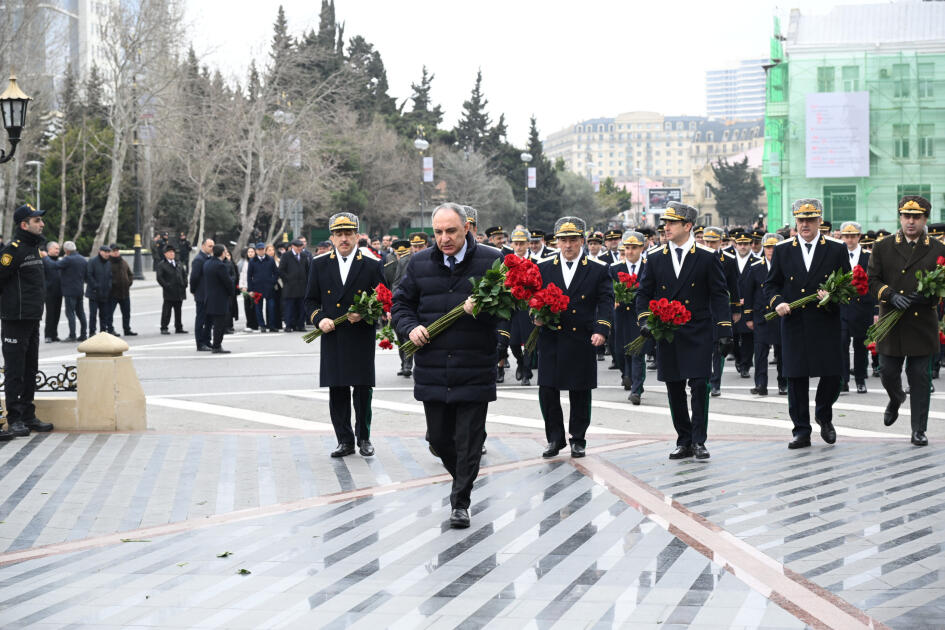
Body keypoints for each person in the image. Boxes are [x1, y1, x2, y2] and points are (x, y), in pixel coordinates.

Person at [392, 203, 508, 529]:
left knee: (469, 439)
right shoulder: (418, 263)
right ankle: (464, 477)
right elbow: (401, 304)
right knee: (439, 439)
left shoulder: (490, 260)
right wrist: (409, 327)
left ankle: (460, 502)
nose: (444, 238)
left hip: (474, 364)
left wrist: (482, 309)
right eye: (439, 232)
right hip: (432, 365)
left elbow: (505, 309)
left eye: (451, 231)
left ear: (466, 228)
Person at [635, 203, 733, 460]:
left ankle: (699, 440)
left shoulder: (707, 256)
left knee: (700, 385)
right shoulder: (655, 257)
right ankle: (684, 439)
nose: (665, 227)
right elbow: (644, 293)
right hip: (668, 332)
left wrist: (724, 329)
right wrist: (645, 320)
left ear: (688, 226)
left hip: (698, 330)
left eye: (672, 223)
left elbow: (719, 294)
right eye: (665, 223)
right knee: (674, 386)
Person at [764, 198, 848, 450]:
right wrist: (777, 302)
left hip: (825, 320)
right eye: (801, 220)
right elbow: (771, 284)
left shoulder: (836, 248)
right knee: (796, 377)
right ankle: (801, 429)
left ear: (820, 221)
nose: (805, 225)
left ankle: (823, 414)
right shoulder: (783, 249)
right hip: (795, 321)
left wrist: (833, 297)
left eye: (810, 220)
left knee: (832, 375)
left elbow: (847, 285)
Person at [305, 212, 384, 459]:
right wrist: (320, 319)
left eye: (348, 234)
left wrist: (365, 313)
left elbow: (382, 297)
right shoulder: (319, 264)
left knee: (362, 390)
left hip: (360, 335)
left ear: (357, 236)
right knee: (337, 389)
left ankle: (364, 437)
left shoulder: (371, 264)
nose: (344, 239)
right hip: (333, 334)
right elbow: (310, 301)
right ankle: (344, 440)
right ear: (332, 238)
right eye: (339, 234)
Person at [869, 195, 945, 446]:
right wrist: (889, 294)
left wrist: (927, 297)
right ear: (900, 217)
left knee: (920, 376)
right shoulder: (883, 246)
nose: (911, 222)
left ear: (925, 219)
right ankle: (896, 397)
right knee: (888, 372)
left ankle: (918, 429)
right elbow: (872, 281)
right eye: (906, 216)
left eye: (917, 217)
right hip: (892, 319)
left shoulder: (937, 248)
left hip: (921, 321)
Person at [535, 216, 614, 459]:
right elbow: (534, 299)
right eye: (562, 240)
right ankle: (554, 438)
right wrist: (535, 315)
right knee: (548, 390)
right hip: (551, 336)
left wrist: (602, 329)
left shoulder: (598, 269)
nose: (567, 245)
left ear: (582, 241)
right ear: (556, 242)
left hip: (582, 337)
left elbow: (606, 300)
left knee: (579, 391)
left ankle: (578, 438)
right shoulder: (543, 267)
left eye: (572, 240)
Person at [0, 204, 54, 440]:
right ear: (24, 225)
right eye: (36, 221)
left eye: (40, 220)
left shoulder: (34, 249)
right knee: (15, 371)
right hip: (15, 319)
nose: (41, 224)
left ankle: (28, 415)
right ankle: (14, 419)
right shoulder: (13, 251)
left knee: (30, 368)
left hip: (32, 318)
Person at [742, 233, 786, 396]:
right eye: (767, 247)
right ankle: (761, 384)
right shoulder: (755, 267)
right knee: (760, 353)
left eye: (774, 247)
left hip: (780, 315)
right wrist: (748, 316)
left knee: (782, 353)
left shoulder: (786, 267)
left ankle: (783, 383)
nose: (770, 250)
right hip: (761, 316)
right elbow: (748, 293)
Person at [702, 227, 741, 397]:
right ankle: (702, 379)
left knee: (719, 346)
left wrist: (736, 308)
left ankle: (715, 383)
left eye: (713, 241)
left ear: (721, 242)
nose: (710, 244)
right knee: (702, 346)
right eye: (707, 241)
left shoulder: (729, 260)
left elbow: (734, 285)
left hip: (720, 308)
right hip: (702, 308)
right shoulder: (698, 256)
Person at [611, 231, 648, 404]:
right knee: (621, 351)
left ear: (642, 248)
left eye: (634, 248)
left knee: (637, 353)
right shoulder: (615, 268)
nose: (630, 252)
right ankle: (626, 375)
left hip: (640, 317)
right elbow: (608, 292)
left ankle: (636, 390)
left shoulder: (649, 266)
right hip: (621, 317)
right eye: (627, 248)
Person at [838, 221, 873, 394]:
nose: (849, 239)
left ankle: (860, 379)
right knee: (842, 343)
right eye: (846, 236)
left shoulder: (868, 257)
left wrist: (875, 311)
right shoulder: (837, 255)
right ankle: (843, 379)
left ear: (859, 236)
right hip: (843, 306)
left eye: (853, 236)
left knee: (861, 345)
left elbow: (874, 283)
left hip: (862, 307)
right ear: (841, 237)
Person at [383, 239, 413, 377]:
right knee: (401, 336)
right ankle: (404, 364)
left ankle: (407, 365)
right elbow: (389, 285)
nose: (401, 256)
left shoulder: (410, 262)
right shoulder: (390, 264)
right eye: (399, 253)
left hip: (404, 303)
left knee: (406, 336)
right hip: (395, 303)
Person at [204, 244, 234, 354]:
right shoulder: (220, 265)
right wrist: (232, 293)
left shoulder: (207, 263)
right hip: (220, 298)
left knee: (213, 323)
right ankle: (217, 345)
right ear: (222, 253)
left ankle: (213, 343)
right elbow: (227, 282)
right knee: (219, 324)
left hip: (210, 297)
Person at [56, 241, 87, 341]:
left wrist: (45, 258)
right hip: (79, 290)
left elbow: (54, 265)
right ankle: (83, 334)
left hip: (69, 291)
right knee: (81, 313)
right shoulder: (82, 259)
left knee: (70, 313)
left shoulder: (68, 259)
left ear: (66, 250)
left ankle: (72, 335)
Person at [156, 244, 188, 334]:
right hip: (169, 292)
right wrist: (167, 286)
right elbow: (159, 278)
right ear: (165, 254)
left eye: (173, 252)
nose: (172, 254)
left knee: (178, 311)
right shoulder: (162, 265)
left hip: (179, 290)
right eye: (169, 252)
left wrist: (185, 283)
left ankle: (179, 327)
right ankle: (164, 327)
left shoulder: (178, 263)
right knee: (167, 311)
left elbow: (184, 274)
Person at [189, 238, 214, 351]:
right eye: (210, 246)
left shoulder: (209, 258)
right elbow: (194, 277)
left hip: (209, 294)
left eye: (213, 246)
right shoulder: (199, 260)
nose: (212, 248)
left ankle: (207, 341)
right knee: (201, 319)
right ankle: (200, 343)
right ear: (203, 246)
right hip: (201, 294)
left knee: (209, 320)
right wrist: (193, 291)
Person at [279, 238, 308, 332]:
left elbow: (307, 269)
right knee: (289, 308)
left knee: (301, 308)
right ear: (292, 246)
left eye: (301, 246)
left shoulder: (304, 256)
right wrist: (288, 280)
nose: (300, 248)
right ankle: (289, 325)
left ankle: (300, 325)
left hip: (302, 286)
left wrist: (306, 281)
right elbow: (281, 270)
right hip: (290, 287)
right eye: (298, 246)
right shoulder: (286, 256)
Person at [249, 241, 279, 332]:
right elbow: (249, 276)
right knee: (258, 308)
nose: (261, 251)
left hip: (269, 287)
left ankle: (271, 325)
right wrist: (250, 289)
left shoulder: (270, 259)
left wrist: (272, 282)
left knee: (271, 307)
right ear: (256, 251)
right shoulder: (252, 261)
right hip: (257, 288)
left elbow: (276, 273)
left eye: (262, 249)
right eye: (259, 250)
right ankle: (262, 325)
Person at [108, 245, 136, 336]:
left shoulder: (123, 262)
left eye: (117, 251)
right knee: (109, 313)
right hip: (113, 293)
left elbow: (130, 274)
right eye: (114, 251)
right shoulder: (108, 263)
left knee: (126, 313)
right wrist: (112, 284)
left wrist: (129, 282)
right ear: (110, 252)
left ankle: (127, 329)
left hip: (125, 292)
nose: (116, 252)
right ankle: (110, 329)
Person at [85, 244, 113, 336]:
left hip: (105, 293)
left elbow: (110, 276)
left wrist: (109, 286)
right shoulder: (93, 261)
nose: (107, 254)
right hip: (94, 293)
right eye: (105, 252)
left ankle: (103, 332)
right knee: (93, 315)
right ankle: (92, 332)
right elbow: (89, 275)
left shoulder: (108, 263)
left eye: (109, 252)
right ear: (100, 252)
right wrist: (96, 286)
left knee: (104, 314)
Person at [41, 241, 62, 342]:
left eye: (58, 249)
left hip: (59, 291)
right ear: (49, 249)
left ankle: (54, 334)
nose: (58, 250)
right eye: (55, 248)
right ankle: (48, 335)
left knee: (57, 314)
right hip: (49, 291)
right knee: (50, 314)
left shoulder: (59, 260)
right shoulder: (45, 260)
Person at [237, 247, 259, 332]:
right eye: (249, 252)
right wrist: (242, 286)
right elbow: (242, 276)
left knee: (255, 306)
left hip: (256, 288)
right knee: (247, 306)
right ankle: (249, 323)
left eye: (252, 252)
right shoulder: (244, 263)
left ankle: (256, 324)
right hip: (246, 288)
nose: (250, 253)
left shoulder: (257, 262)